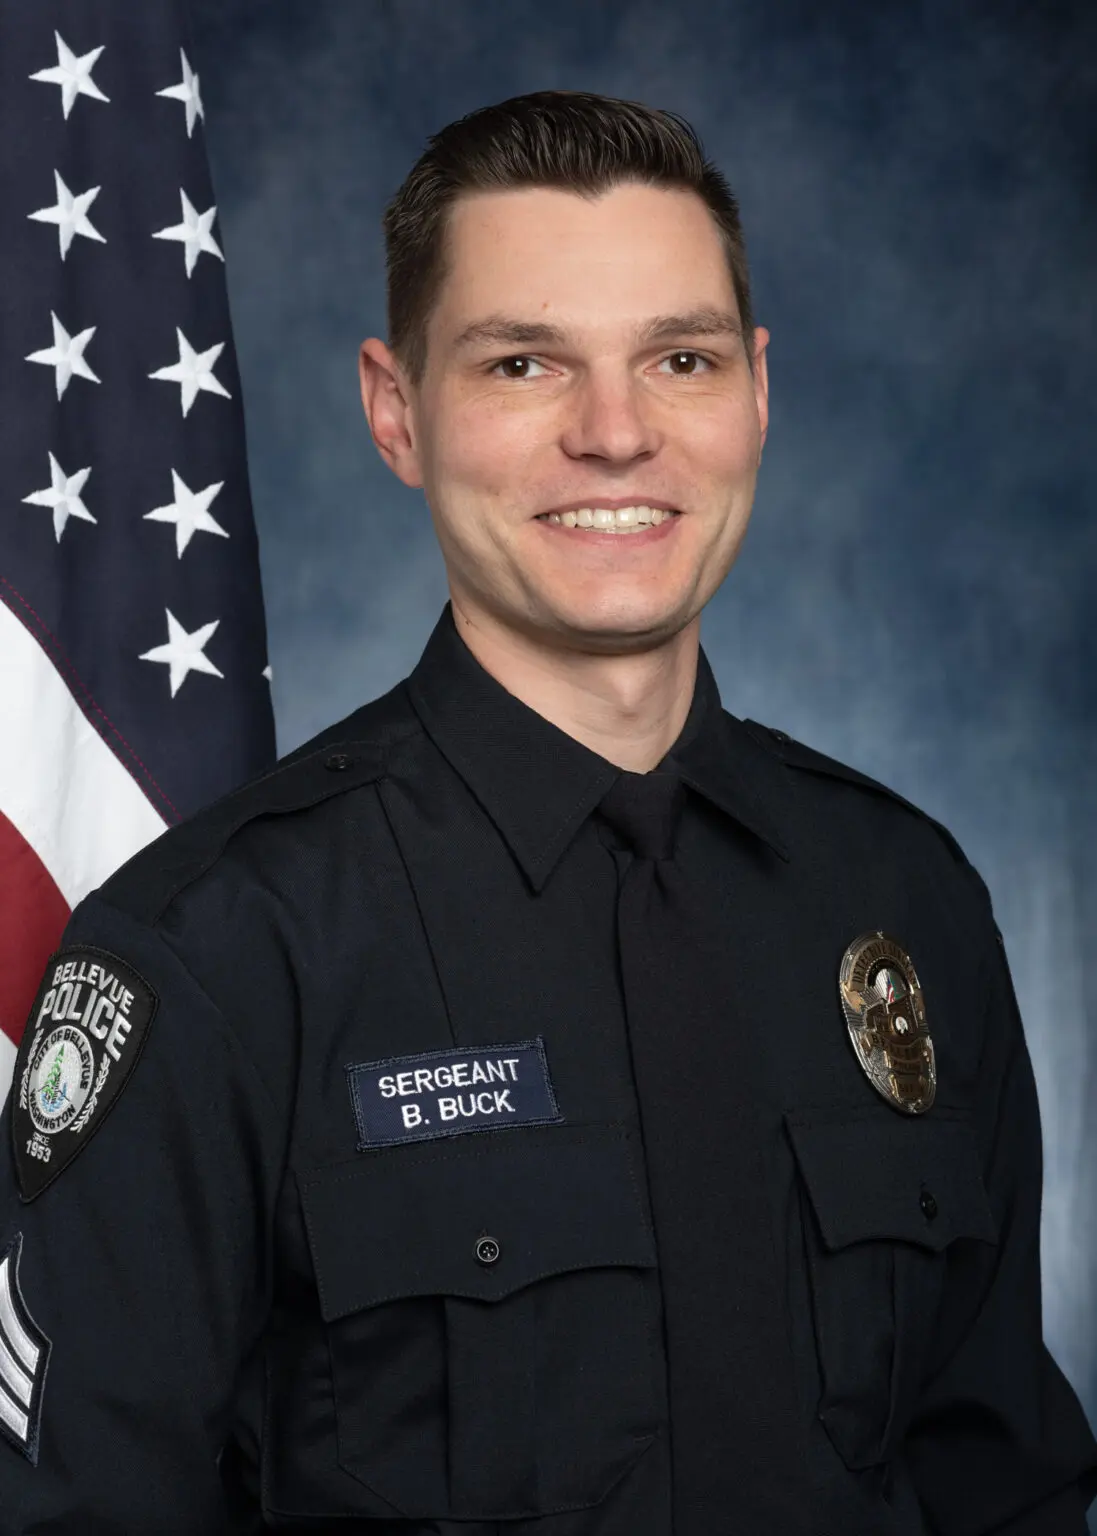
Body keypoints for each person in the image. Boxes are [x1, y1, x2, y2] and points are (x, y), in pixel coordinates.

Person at [0, 90, 1094, 1536]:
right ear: (397, 412)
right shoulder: (211, 955)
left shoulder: (903, 895)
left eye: (681, 359)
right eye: (525, 363)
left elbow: (996, 1489)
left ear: (757, 393)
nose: (617, 435)